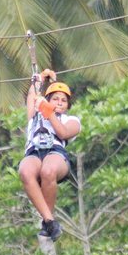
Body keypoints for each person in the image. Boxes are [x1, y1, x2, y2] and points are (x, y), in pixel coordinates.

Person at [19, 69, 81, 241]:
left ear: (67, 105)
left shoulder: (71, 120)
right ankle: (49, 221)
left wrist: (49, 112)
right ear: (48, 99)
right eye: (55, 99)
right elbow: (32, 94)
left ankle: (49, 218)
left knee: (48, 171)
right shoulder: (34, 116)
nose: (59, 102)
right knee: (25, 171)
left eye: (63, 100)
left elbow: (63, 133)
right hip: (34, 152)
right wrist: (40, 78)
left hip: (55, 153)